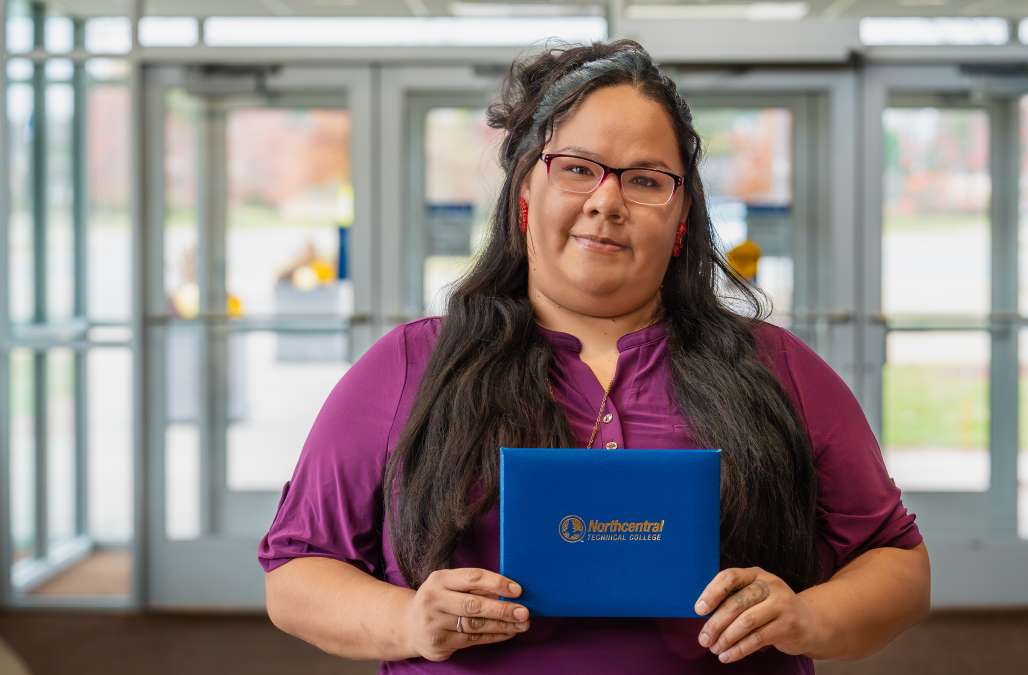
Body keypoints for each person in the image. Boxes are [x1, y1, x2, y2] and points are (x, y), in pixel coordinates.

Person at [259, 38, 930, 674]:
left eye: (646, 180)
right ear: (526, 193)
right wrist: (407, 620)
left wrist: (805, 617)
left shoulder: (777, 367)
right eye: (578, 169)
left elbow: (897, 565)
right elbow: (296, 572)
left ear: (681, 220)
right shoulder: (410, 365)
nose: (607, 202)